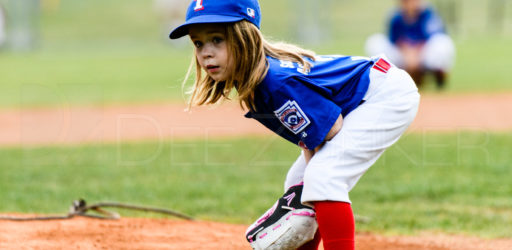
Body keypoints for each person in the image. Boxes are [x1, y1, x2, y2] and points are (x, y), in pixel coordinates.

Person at [170, 0, 420, 249]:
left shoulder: (275, 83)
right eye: (198, 43)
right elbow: (312, 134)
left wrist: (313, 188)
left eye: (217, 39)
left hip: (384, 95)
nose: (206, 52)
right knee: (298, 182)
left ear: (245, 37)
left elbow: (331, 129)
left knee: (323, 177)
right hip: (362, 98)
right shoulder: (259, 80)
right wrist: (306, 193)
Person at [365, 0, 455, 89]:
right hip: (403, 57)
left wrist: (415, 56)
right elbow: (393, 41)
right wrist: (407, 55)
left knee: (442, 42)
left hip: (423, 56)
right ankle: (385, 81)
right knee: (375, 42)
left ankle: (438, 75)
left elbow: (433, 37)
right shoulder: (396, 17)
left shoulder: (429, 15)